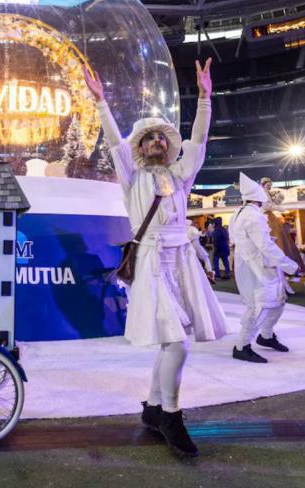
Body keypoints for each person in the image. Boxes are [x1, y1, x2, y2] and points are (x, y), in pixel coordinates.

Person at [83, 59, 226, 457]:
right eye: (149, 140)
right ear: (141, 147)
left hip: (181, 260)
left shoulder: (180, 176)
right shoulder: (133, 178)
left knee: (171, 343)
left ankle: (151, 408)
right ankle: (171, 416)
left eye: (161, 140)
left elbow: (198, 142)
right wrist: (101, 104)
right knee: (177, 344)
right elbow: (115, 144)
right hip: (151, 260)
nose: (157, 144)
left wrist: (204, 99)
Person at [230, 173, 298, 364]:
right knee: (260, 305)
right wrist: (289, 265)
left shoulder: (240, 213)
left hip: (256, 264)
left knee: (278, 300)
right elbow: (265, 245)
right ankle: (242, 346)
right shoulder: (253, 216)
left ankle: (266, 336)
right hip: (257, 267)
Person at [186, 219, 215, 283]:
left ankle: (194, 275)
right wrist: (203, 231)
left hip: (188, 246)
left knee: (192, 261)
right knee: (206, 258)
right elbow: (199, 233)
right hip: (196, 245)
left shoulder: (183, 230)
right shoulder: (192, 228)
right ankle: (210, 273)